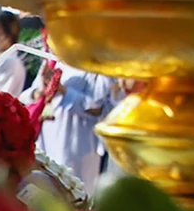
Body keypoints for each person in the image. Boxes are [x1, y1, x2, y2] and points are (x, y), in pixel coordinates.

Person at [24, 59, 123, 194]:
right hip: (45, 137)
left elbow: (96, 108)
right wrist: (40, 91)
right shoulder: (53, 59)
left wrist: (63, 90)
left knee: (72, 195)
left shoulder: (100, 64)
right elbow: (30, 94)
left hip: (77, 143)